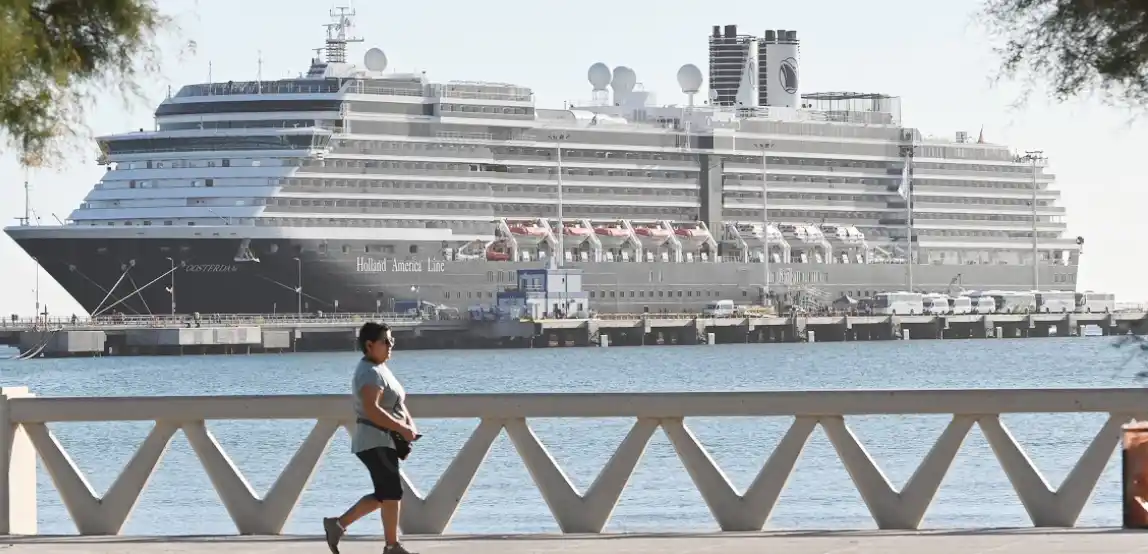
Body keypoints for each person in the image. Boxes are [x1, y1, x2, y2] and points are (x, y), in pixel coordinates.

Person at [323, 322, 419, 554]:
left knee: (385, 494)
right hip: (374, 440)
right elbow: (372, 409)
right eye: (386, 341)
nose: (390, 345)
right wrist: (401, 428)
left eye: (391, 340)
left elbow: (396, 402)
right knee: (391, 493)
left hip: (384, 439)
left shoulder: (381, 369)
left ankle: (337, 525)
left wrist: (409, 426)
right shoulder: (369, 373)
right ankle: (391, 546)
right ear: (369, 345)